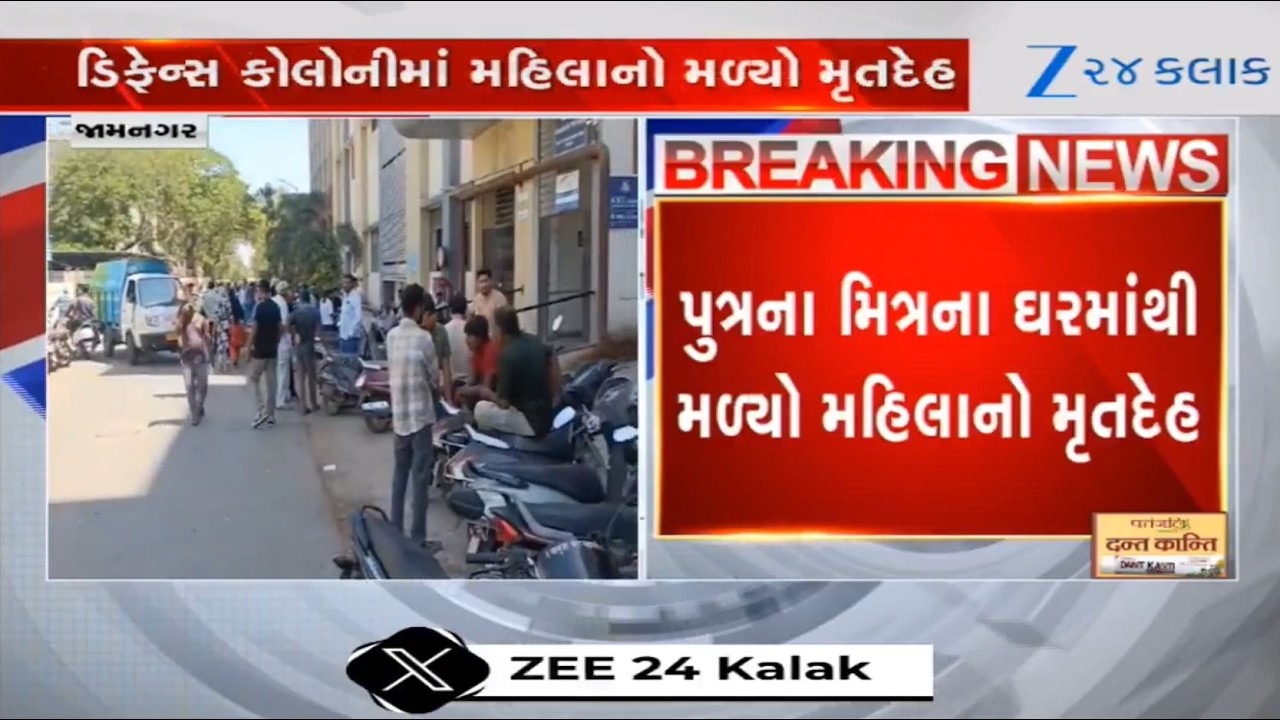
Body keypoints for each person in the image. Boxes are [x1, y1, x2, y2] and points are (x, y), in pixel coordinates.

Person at [385, 283, 441, 550]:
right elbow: (434, 378)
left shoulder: (391, 336)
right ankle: (417, 539)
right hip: (420, 418)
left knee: (400, 476)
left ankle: (395, 532)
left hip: (400, 417)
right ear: (418, 308)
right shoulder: (424, 338)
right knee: (420, 480)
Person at [473, 306, 552, 437]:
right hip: (546, 415)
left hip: (529, 421)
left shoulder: (507, 355)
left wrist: (486, 393)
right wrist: (556, 396)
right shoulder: (534, 340)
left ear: (500, 329)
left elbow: (503, 403)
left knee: (480, 409)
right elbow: (552, 356)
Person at [246, 280, 282, 428]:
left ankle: (261, 409)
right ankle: (271, 414)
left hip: (260, 350)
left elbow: (254, 329)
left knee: (254, 378)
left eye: (258, 291)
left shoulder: (259, 308)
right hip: (272, 350)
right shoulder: (276, 307)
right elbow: (280, 328)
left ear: (262, 291)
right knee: (271, 383)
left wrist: (248, 347)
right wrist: (276, 342)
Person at [176, 303, 210, 426]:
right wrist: (182, 321)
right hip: (187, 359)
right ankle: (194, 414)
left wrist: (207, 348)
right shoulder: (181, 321)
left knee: (203, 386)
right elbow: (177, 332)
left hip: (200, 358)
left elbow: (207, 336)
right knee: (189, 386)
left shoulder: (200, 319)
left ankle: (199, 406)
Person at [455, 315, 498, 408]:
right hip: (481, 392)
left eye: (469, 336)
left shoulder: (491, 350)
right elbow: (472, 380)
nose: (466, 340)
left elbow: (486, 388)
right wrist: (462, 390)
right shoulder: (476, 352)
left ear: (480, 337)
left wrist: (464, 391)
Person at [290, 288, 322, 414]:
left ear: (300, 299)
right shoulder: (315, 311)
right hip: (310, 345)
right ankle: (314, 403)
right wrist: (325, 345)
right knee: (312, 376)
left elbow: (287, 323)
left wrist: (294, 334)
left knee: (301, 377)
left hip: (299, 346)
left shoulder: (296, 311)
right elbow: (320, 331)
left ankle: (303, 406)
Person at [418, 294, 454, 404]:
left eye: (434, 314)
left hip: (436, 383)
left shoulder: (441, 331)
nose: (434, 318)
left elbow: (446, 367)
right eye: (429, 315)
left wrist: (449, 399)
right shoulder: (416, 334)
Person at [272, 282, 293, 410]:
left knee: (275, 371)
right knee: (283, 371)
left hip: (271, 341)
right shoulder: (283, 304)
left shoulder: (272, 301)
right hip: (282, 341)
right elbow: (284, 325)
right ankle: (280, 399)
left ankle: (280, 396)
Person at [444, 293, 471, 384]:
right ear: (465, 309)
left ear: (450, 309)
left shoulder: (444, 330)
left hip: (449, 380)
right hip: (469, 379)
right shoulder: (470, 329)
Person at [338, 274, 364, 355]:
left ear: (352, 284)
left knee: (350, 359)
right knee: (344, 359)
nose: (345, 285)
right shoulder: (346, 296)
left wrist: (350, 332)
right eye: (344, 283)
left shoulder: (355, 297)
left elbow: (358, 317)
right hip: (343, 334)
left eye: (348, 283)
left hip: (351, 336)